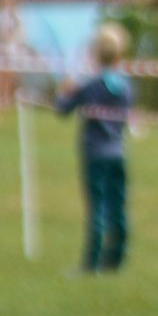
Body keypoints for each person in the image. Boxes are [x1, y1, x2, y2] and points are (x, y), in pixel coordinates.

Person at [55, 23, 134, 275]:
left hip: (95, 153)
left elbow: (62, 108)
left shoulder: (90, 86)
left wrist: (65, 90)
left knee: (97, 206)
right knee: (118, 205)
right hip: (118, 151)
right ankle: (117, 256)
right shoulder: (126, 86)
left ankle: (92, 261)